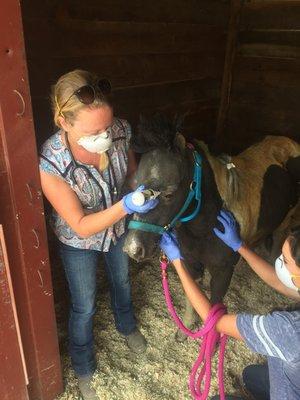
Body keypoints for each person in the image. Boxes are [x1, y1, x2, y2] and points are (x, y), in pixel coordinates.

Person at [39, 69, 158, 400]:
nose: (106, 135)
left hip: (118, 230)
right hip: (80, 242)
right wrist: (127, 206)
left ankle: (127, 326)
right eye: (95, 131)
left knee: (122, 280)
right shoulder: (51, 162)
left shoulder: (121, 130)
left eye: (108, 125)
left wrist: (142, 196)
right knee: (85, 304)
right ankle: (83, 366)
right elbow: (80, 224)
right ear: (63, 121)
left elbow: (132, 173)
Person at [159, 209, 300, 400]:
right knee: (251, 375)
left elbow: (215, 321)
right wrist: (239, 245)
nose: (279, 262)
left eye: (285, 261)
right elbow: (278, 281)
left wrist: (177, 261)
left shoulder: (288, 329)